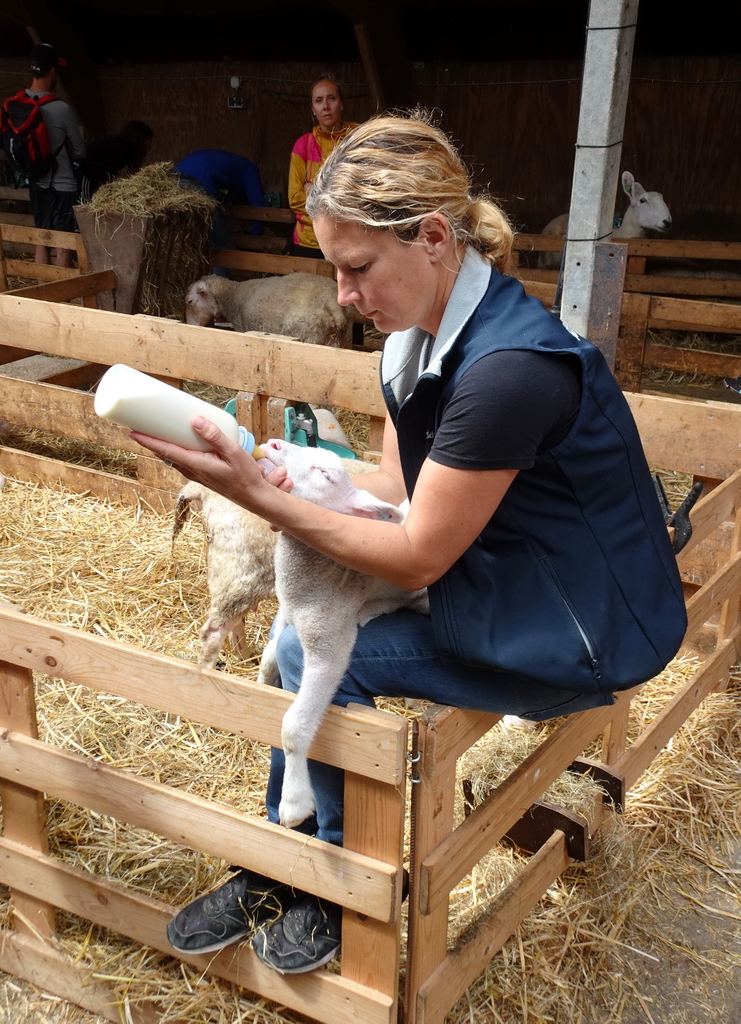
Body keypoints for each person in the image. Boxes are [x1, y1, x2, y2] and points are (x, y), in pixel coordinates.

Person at [131, 112, 687, 975]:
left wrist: (252, 499)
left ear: (433, 237)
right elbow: (393, 490)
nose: (345, 295)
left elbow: (418, 550)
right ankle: (284, 859)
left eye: (357, 268)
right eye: (335, 269)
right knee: (294, 638)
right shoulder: (410, 344)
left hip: (580, 622)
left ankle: (339, 885)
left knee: (336, 657)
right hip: (501, 574)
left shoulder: (509, 371)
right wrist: (298, 473)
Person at [24, 43, 85, 268]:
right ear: (52, 71)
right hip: (63, 186)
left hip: (36, 183)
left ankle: (41, 294)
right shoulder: (61, 109)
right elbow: (80, 150)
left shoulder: (18, 104)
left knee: (41, 241)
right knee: (63, 246)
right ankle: (62, 300)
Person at [287, 73, 359, 258]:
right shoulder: (303, 145)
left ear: (341, 104)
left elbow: (360, 193)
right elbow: (295, 198)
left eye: (331, 99)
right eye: (318, 101)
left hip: (349, 239)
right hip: (309, 241)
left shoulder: (358, 140)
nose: (325, 106)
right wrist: (336, 202)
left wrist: (312, 190)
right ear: (313, 109)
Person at [176, 148, 266, 274]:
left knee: (188, 240)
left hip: (177, 179)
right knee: (220, 244)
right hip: (198, 184)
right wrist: (255, 241)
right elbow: (258, 207)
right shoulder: (249, 169)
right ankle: (221, 288)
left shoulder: (231, 166)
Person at [78, 120, 154, 201]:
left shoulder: (120, 146)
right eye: (149, 143)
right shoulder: (123, 150)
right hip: (86, 177)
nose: (150, 148)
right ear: (140, 141)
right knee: (86, 206)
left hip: (88, 177)